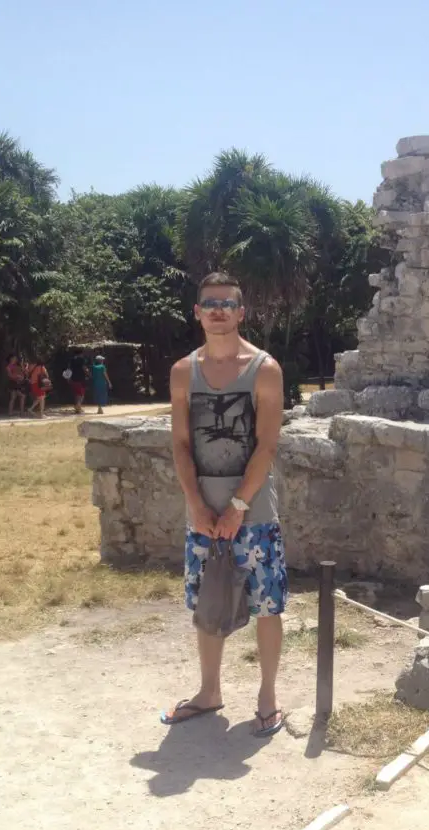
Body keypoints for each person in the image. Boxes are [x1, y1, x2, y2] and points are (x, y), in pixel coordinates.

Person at [160, 271, 287, 737]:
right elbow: (179, 443)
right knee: (206, 602)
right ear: (196, 312)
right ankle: (209, 691)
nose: (218, 310)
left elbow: (266, 445)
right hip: (202, 513)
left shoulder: (264, 369)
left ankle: (268, 695)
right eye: (209, 303)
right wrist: (196, 503)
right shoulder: (182, 372)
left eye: (227, 304)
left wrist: (237, 505)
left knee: (268, 604)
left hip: (252, 510)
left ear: (241, 312)